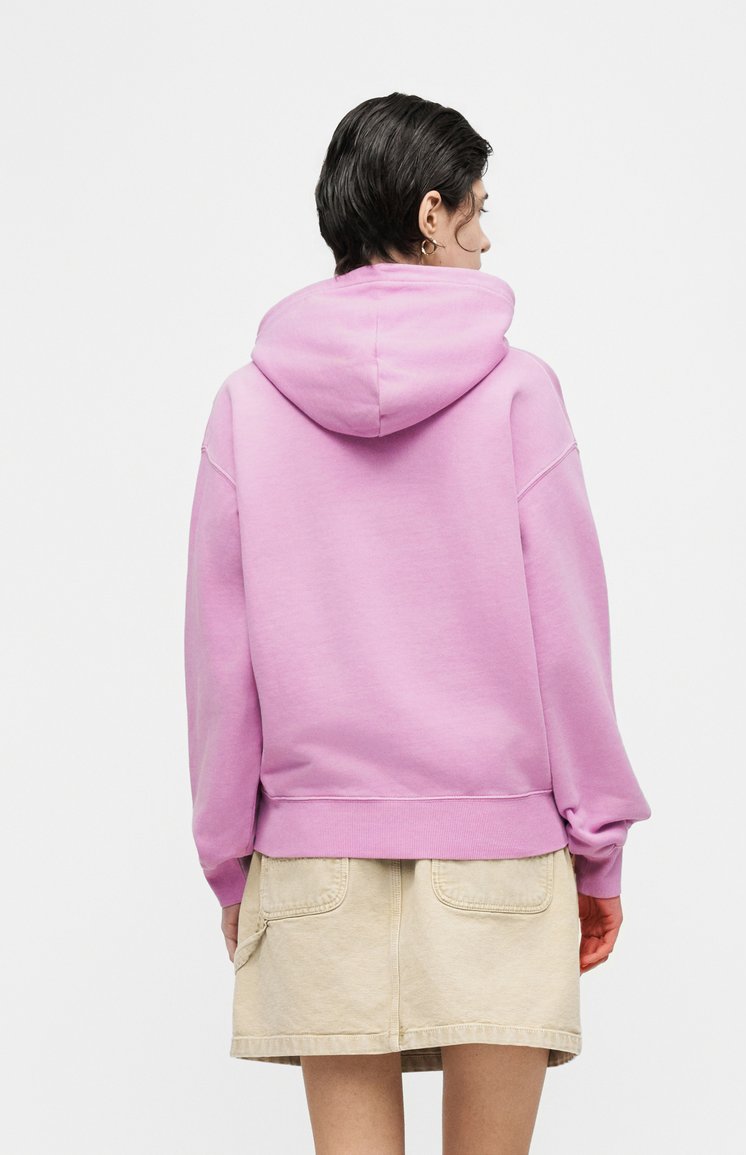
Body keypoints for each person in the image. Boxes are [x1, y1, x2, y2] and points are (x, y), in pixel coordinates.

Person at [183, 91, 652, 1155]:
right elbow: (569, 643)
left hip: (312, 860)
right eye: (479, 209)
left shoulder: (246, 404)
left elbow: (219, 665)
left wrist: (231, 861)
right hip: (500, 855)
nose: (487, 239)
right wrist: (598, 852)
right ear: (432, 212)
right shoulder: (520, 393)